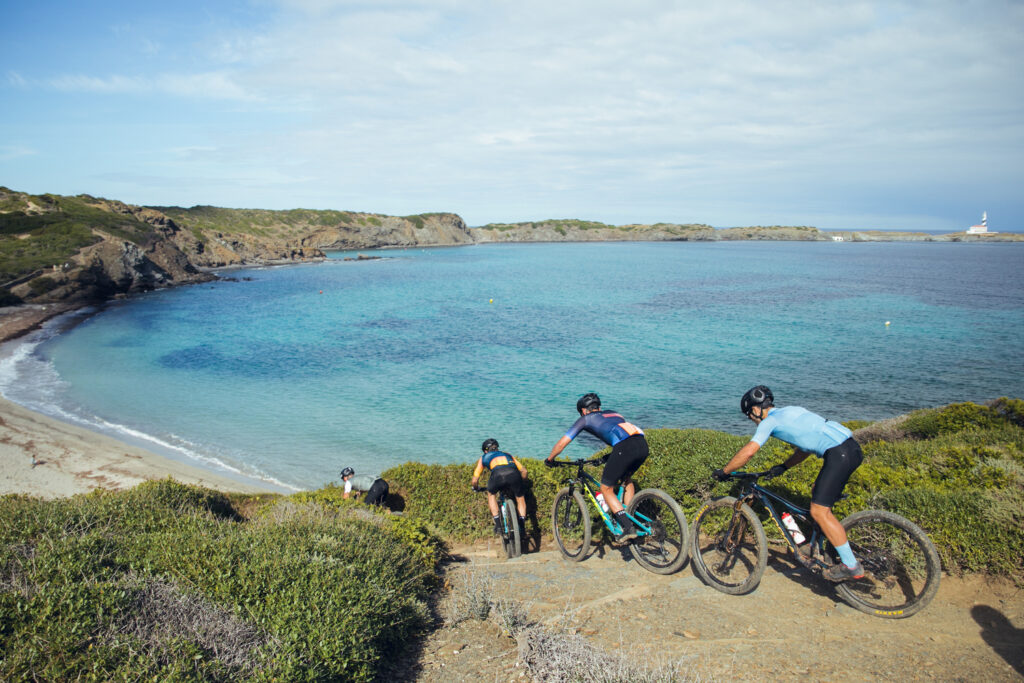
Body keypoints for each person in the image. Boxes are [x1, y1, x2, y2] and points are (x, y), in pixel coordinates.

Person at [713, 385, 864, 581]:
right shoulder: (792, 410)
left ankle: (851, 565)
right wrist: (784, 466)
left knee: (819, 511)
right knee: (817, 493)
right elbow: (805, 445)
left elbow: (749, 451)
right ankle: (815, 544)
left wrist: (725, 471)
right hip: (851, 448)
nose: (750, 418)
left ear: (757, 410)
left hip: (838, 454)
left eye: (749, 414)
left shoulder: (769, 422)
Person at [544, 393, 647, 540]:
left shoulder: (585, 419)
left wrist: (550, 459)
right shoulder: (615, 413)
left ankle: (628, 527)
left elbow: (562, 443)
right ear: (599, 407)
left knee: (606, 488)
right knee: (626, 479)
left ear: (584, 411)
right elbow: (619, 434)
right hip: (642, 444)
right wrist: (609, 456)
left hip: (625, 447)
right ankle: (630, 516)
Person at [471, 438, 529, 535]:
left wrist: (476, 488)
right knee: (520, 498)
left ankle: (498, 525)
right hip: (514, 474)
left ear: (485, 451)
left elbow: (474, 480)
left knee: (491, 494)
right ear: (497, 448)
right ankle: (522, 527)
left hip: (497, 476)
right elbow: (524, 471)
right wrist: (522, 482)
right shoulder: (507, 455)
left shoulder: (483, 458)